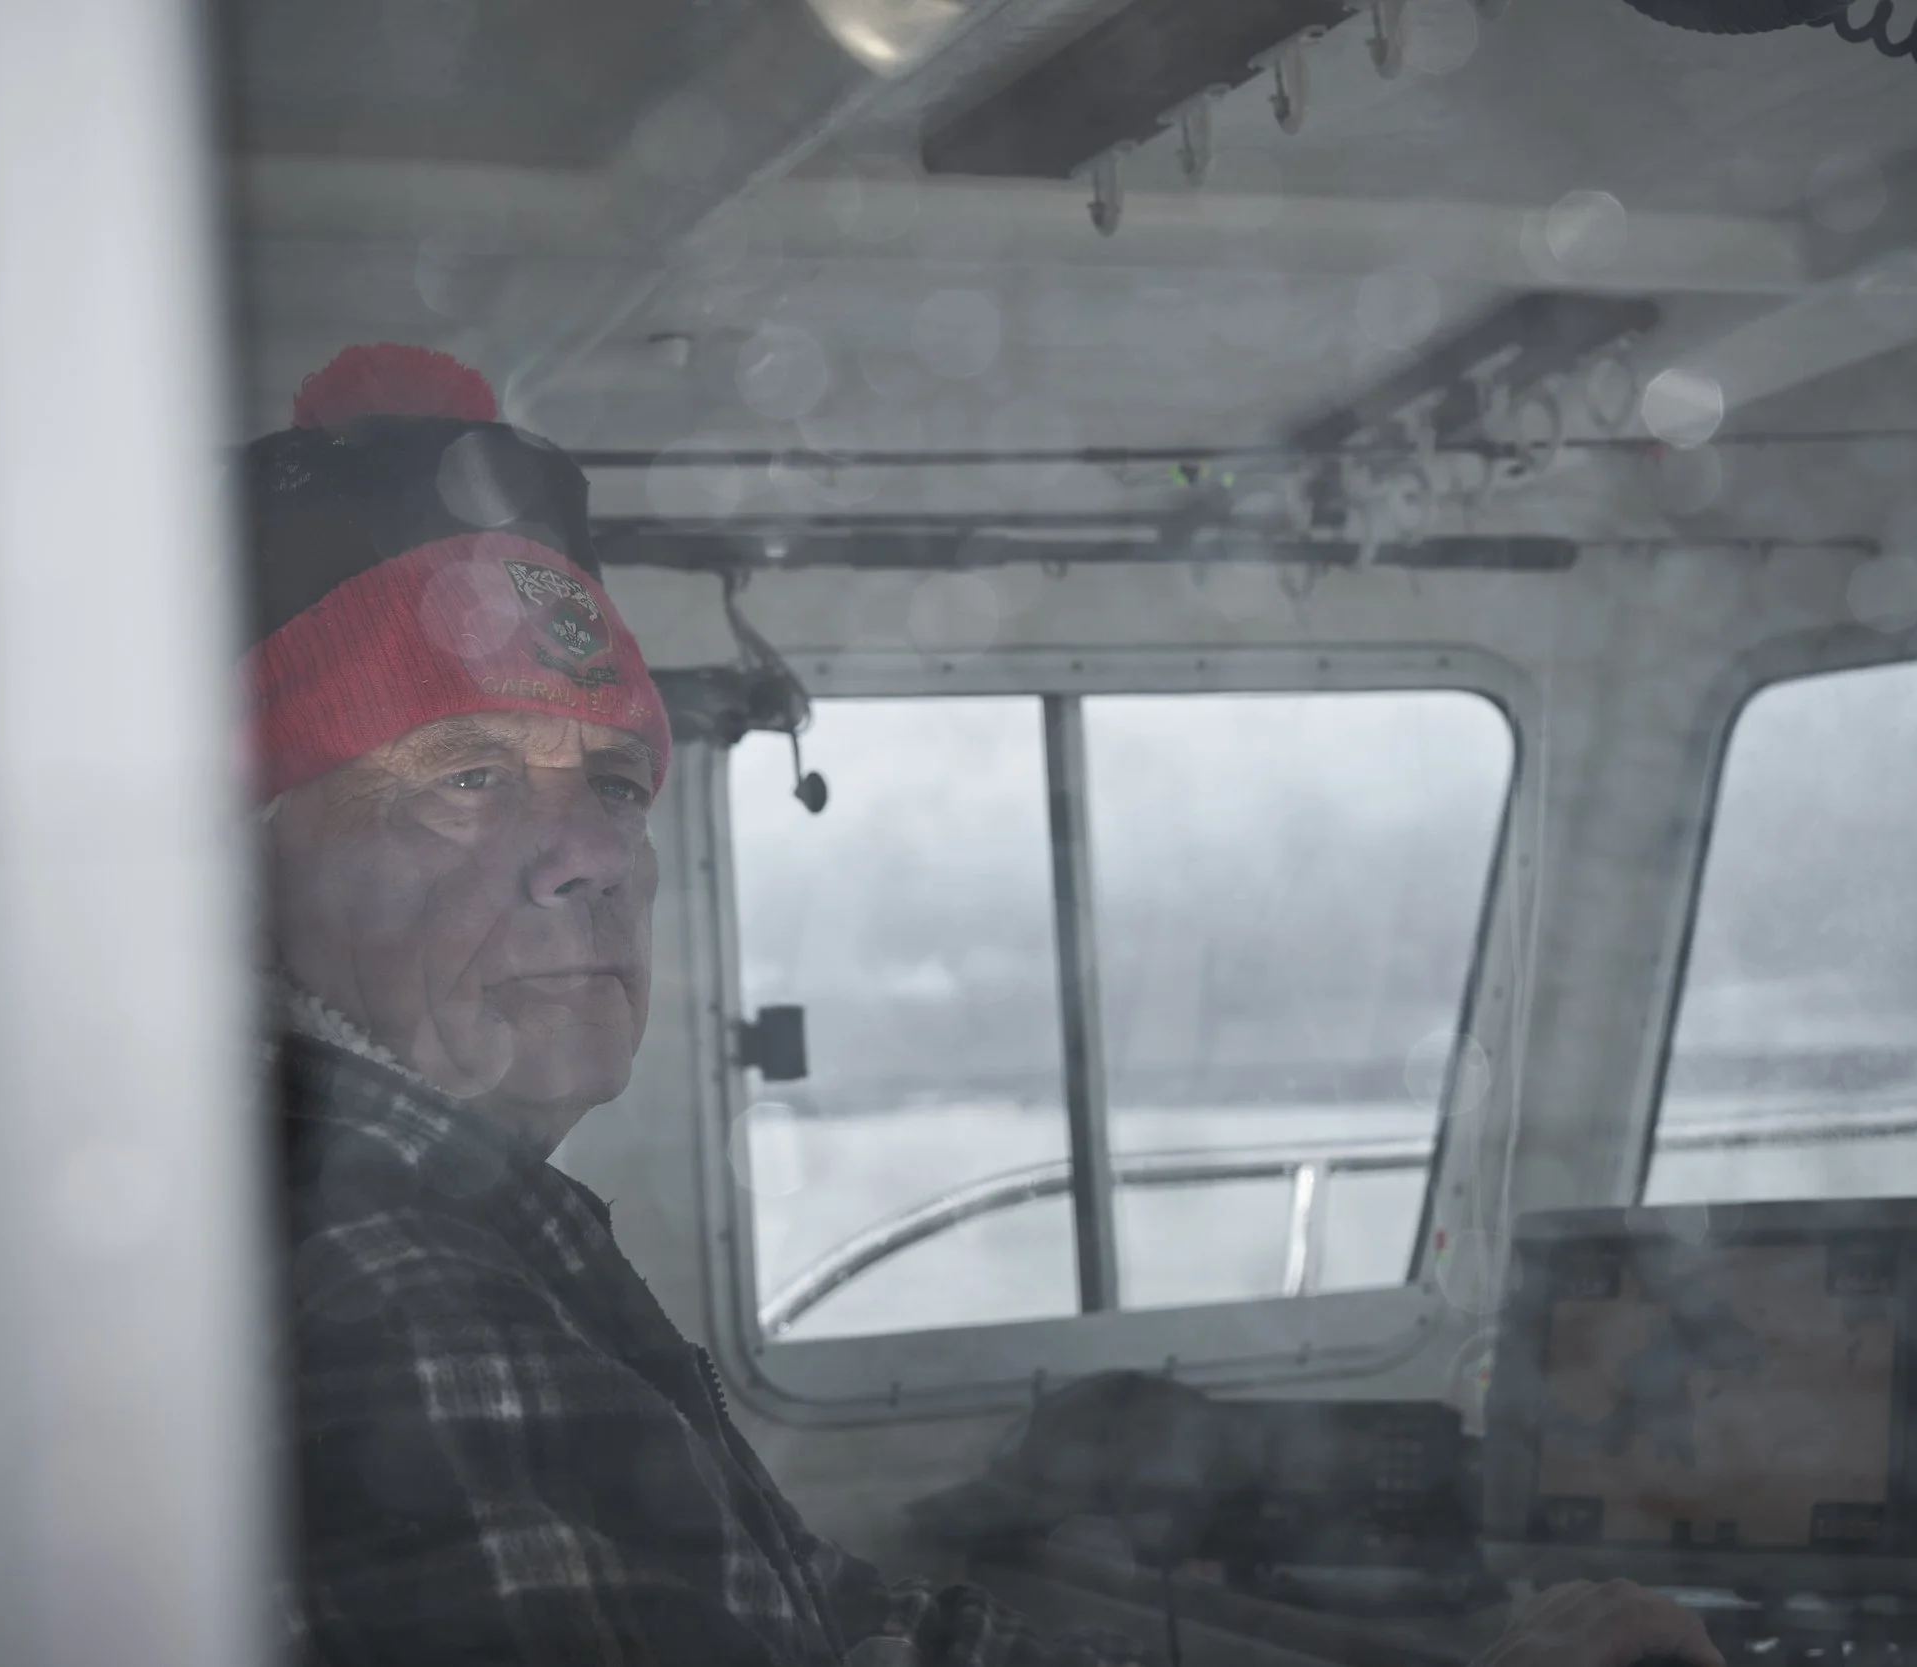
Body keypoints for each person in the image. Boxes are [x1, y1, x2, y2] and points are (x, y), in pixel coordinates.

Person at [253, 344, 1728, 1667]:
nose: (590, 854)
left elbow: (860, 1628)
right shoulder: (395, 1281)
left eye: (615, 783)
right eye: (462, 778)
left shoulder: (462, 1221)